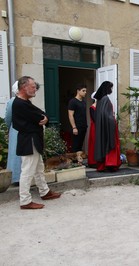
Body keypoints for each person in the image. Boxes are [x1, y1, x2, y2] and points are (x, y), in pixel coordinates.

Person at [12, 76, 61, 210]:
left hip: (33, 139)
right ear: (24, 87)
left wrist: (45, 118)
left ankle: (44, 192)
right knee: (27, 171)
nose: (35, 89)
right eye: (33, 87)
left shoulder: (25, 102)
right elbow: (38, 116)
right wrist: (43, 118)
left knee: (38, 168)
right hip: (29, 141)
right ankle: (25, 201)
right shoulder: (20, 104)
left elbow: (42, 114)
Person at [93, 81, 121, 172]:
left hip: (102, 126)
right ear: (107, 88)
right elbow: (107, 115)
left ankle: (103, 165)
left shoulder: (100, 100)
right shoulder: (105, 99)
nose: (112, 89)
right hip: (108, 126)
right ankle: (110, 164)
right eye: (111, 87)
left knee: (102, 144)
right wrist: (113, 120)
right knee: (110, 143)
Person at [5, 81, 22, 186]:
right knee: (15, 153)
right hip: (15, 129)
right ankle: (15, 176)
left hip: (17, 129)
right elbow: (8, 117)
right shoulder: (12, 102)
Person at [68, 84, 88, 152]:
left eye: (85, 91)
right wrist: (74, 127)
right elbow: (70, 115)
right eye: (83, 91)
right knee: (75, 145)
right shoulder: (73, 102)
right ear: (78, 91)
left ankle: (79, 161)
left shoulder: (84, 102)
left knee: (80, 145)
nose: (85, 92)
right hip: (77, 127)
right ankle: (74, 161)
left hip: (83, 126)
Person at [87, 92, 97, 168]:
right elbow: (95, 119)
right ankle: (93, 161)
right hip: (95, 127)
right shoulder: (92, 107)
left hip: (98, 127)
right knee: (94, 143)